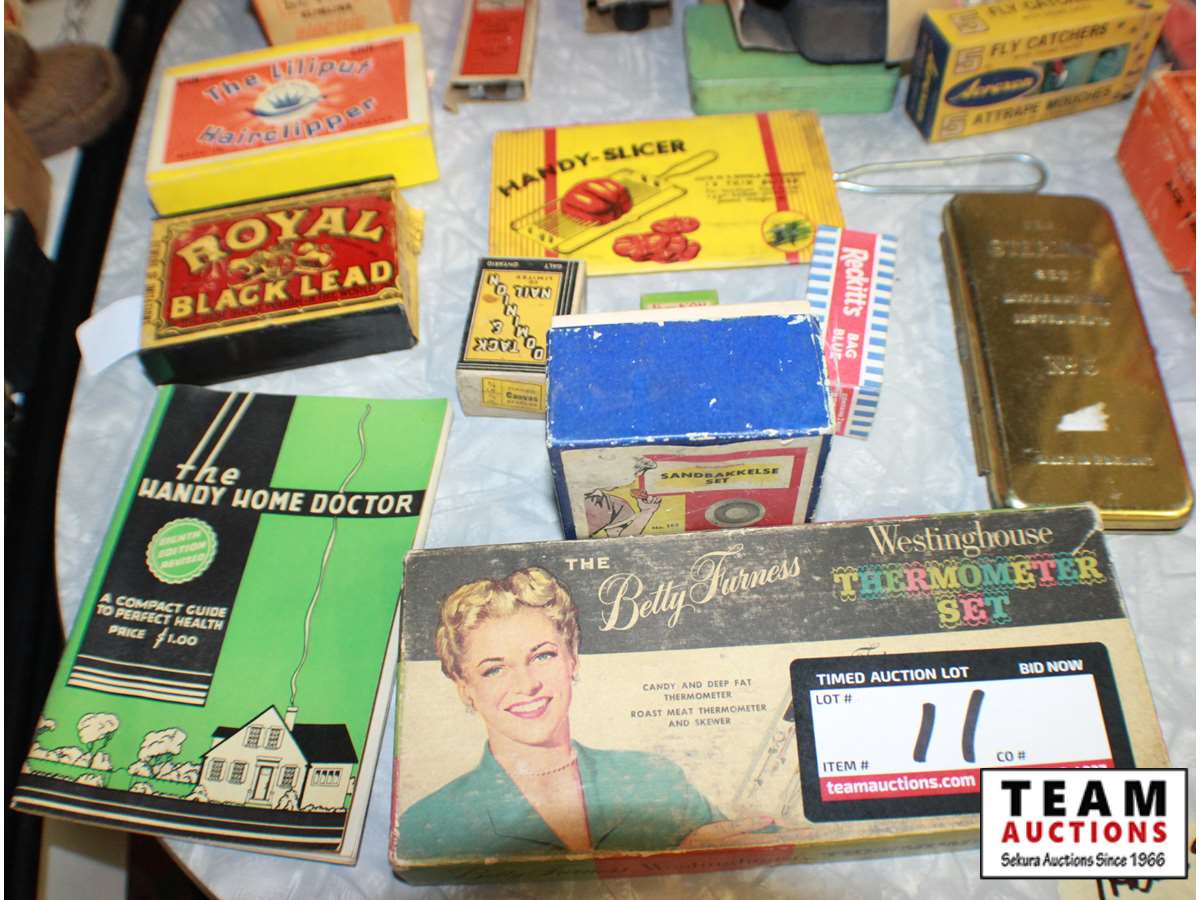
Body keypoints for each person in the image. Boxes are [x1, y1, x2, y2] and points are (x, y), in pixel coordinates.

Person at [394, 567, 778, 860]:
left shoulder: (655, 778)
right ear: (465, 687)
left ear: (572, 659)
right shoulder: (427, 824)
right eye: (494, 669)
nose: (526, 685)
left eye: (542, 656)